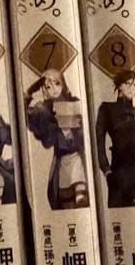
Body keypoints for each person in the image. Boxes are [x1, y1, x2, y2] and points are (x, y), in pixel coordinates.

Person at [25, 69, 88, 210]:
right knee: (64, 199)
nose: (53, 89)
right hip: (61, 159)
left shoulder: (75, 102)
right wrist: (30, 92)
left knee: (81, 191)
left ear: (63, 83)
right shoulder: (44, 109)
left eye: (57, 83)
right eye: (48, 86)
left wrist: (73, 127)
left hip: (79, 156)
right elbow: (26, 116)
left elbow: (85, 130)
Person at [95, 70, 135, 208]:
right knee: (123, 211)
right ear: (119, 85)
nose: (132, 88)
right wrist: (106, 171)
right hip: (119, 170)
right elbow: (98, 143)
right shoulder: (107, 109)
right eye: (128, 84)